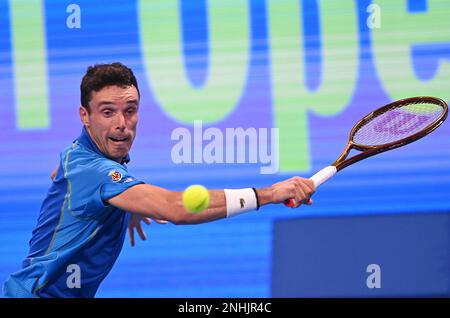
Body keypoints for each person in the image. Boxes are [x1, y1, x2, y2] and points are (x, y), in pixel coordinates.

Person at [3, 62, 315, 298]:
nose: (122, 124)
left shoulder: (80, 156)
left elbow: (62, 171)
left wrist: (125, 202)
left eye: (130, 110)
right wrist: (271, 193)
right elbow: (176, 209)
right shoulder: (95, 171)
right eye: (108, 112)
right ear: (84, 115)